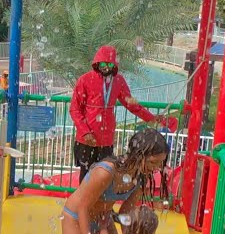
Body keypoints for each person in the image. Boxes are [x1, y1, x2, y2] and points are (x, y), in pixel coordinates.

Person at [70, 45, 166, 182]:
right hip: (86, 139)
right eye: (103, 64)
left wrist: (151, 118)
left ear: (114, 65)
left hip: (106, 138)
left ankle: (100, 203)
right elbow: (75, 109)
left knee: (104, 174)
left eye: (109, 64)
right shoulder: (85, 80)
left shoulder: (118, 81)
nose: (106, 67)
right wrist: (85, 132)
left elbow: (132, 105)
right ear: (97, 63)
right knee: (86, 174)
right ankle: (83, 203)